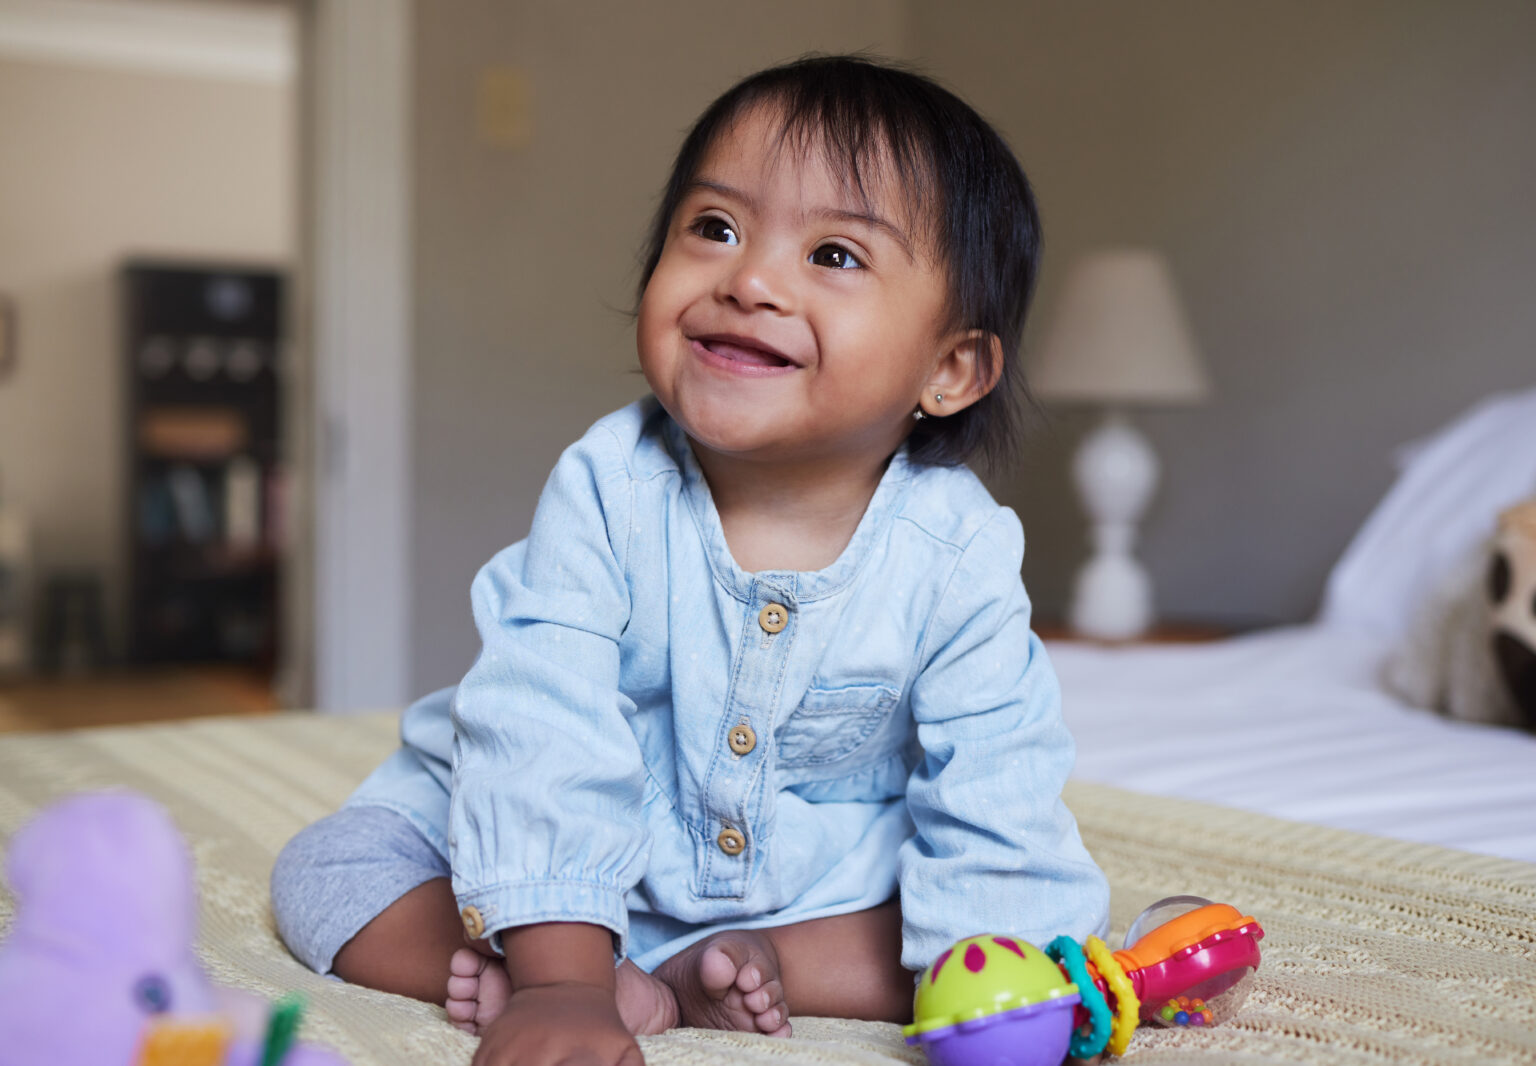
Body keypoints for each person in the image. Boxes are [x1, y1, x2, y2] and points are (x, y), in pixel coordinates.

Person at [271, 54, 1109, 1066]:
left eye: (835, 254)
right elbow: (544, 725)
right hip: (536, 848)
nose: (748, 279)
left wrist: (998, 972)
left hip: (806, 881)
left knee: (959, 917)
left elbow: (997, 784)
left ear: (951, 368)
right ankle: (565, 967)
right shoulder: (610, 486)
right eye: (714, 228)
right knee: (328, 867)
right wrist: (560, 986)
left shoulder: (960, 549)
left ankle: (740, 963)